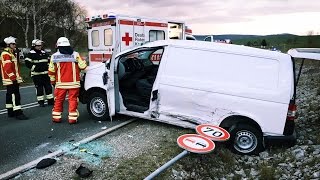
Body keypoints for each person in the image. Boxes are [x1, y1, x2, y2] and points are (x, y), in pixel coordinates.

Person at [48, 37, 87, 124]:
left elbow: (51, 71)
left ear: (58, 46)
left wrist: (53, 82)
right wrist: (83, 61)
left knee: (58, 100)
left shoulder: (54, 56)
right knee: (72, 100)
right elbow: (83, 67)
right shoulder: (75, 54)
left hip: (60, 84)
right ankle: (72, 119)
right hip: (74, 83)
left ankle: (56, 117)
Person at [0, 36, 28, 120]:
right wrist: (13, 78)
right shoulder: (6, 54)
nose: (15, 45)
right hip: (11, 79)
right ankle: (18, 113)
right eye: (13, 44)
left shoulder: (10, 53)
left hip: (11, 79)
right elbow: (7, 68)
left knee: (10, 95)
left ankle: (10, 111)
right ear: (8, 45)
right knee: (14, 95)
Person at [25, 39, 54, 107]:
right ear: (34, 46)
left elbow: (49, 61)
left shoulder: (44, 52)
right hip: (36, 75)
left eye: (40, 45)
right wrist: (35, 68)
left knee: (48, 87)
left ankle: (50, 101)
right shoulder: (31, 54)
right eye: (38, 46)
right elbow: (27, 63)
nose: (40, 47)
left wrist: (48, 67)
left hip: (45, 74)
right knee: (39, 88)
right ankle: (41, 102)